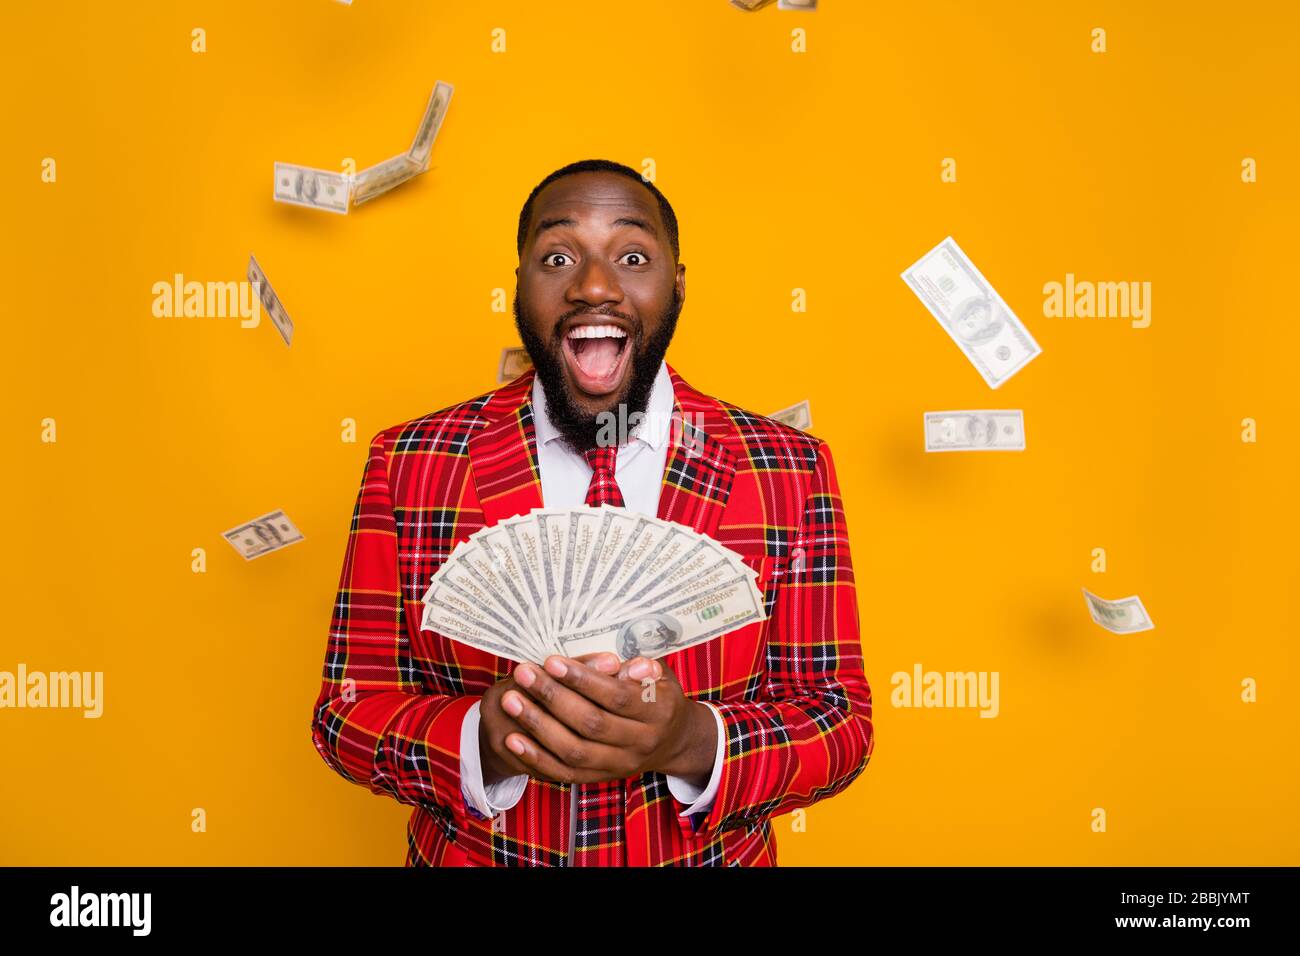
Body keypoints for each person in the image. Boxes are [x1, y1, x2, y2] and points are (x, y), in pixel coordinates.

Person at [310, 158, 875, 866]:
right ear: (519, 286)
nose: (594, 286)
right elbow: (346, 712)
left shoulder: (789, 469)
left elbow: (840, 722)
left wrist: (689, 741)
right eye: (557, 256)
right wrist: (481, 743)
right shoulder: (411, 461)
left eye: (631, 256)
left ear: (677, 285)